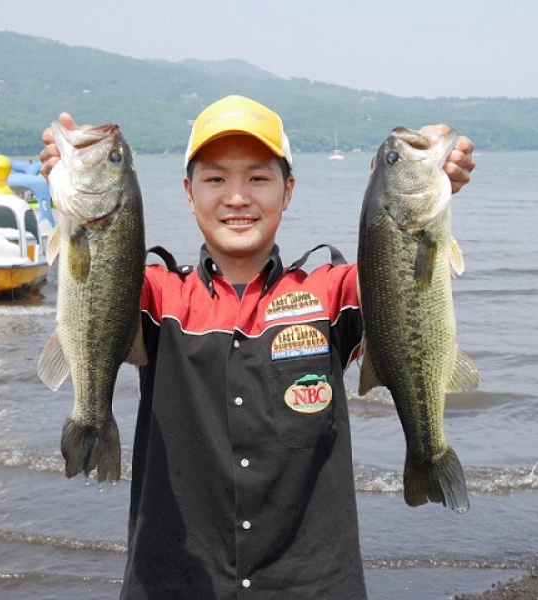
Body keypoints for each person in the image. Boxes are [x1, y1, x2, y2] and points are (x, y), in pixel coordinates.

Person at [39, 95, 475, 599]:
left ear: (288, 191)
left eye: (259, 178)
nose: (238, 197)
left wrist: (434, 179)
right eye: (216, 179)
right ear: (188, 192)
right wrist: (67, 185)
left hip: (313, 586)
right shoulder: (157, 294)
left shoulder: (331, 294)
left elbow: (401, 281)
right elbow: (97, 284)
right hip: (172, 582)